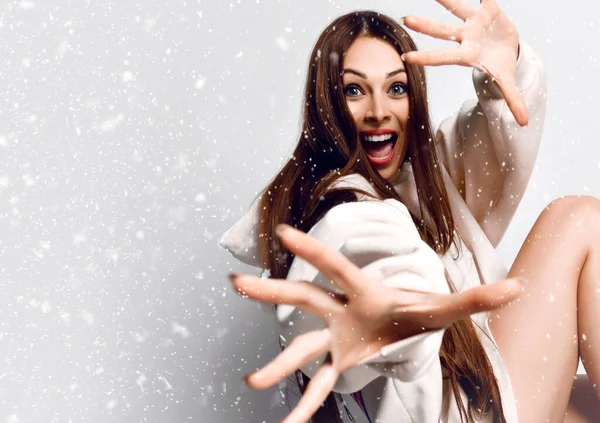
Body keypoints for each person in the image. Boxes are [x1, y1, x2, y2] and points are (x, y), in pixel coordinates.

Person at [220, 1, 600, 422]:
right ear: (326, 104)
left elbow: (483, 161)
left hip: (466, 400)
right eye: (354, 90)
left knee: (585, 402)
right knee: (578, 220)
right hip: (460, 413)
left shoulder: (416, 184)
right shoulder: (339, 206)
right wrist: (387, 316)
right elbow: (364, 254)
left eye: (396, 88)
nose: (379, 110)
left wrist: (504, 70)